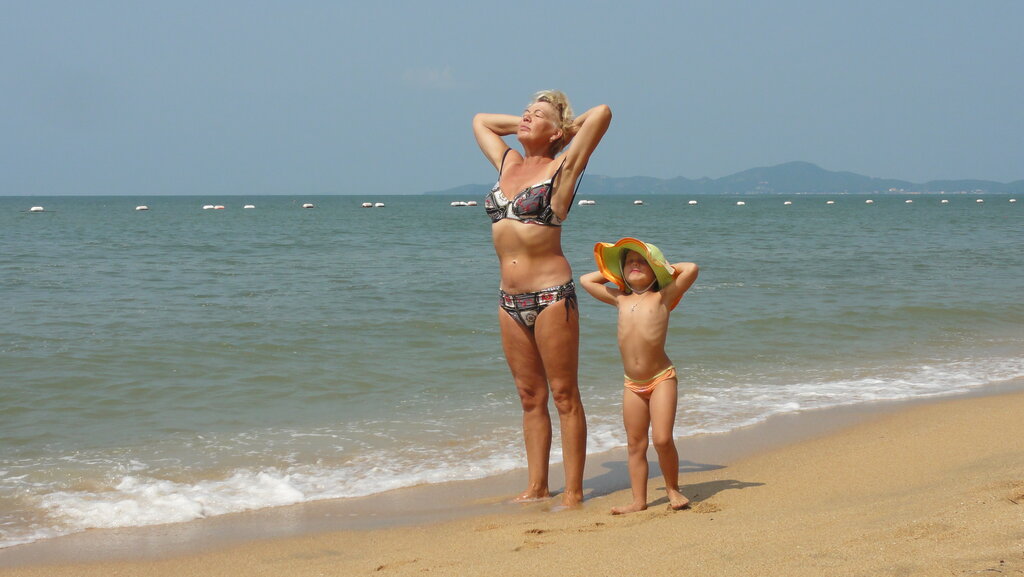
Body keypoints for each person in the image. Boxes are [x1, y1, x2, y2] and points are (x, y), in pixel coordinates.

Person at [473, 91, 611, 508]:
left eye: (538, 115)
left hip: (552, 296)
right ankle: (537, 486)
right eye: (525, 113)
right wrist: (529, 123)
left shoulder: (563, 168)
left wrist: (562, 131)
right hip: (508, 300)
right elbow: (480, 121)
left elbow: (602, 114)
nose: (526, 118)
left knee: (565, 394)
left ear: (558, 132)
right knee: (529, 397)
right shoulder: (508, 162)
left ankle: (573, 491)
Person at [579, 238, 699, 514]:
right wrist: (613, 272)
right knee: (635, 444)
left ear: (654, 269)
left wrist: (662, 264)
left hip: (661, 378)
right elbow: (586, 280)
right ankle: (638, 500)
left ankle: (672, 488)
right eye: (629, 262)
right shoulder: (619, 298)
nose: (634, 264)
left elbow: (691, 268)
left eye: (641, 261)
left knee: (662, 439)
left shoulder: (663, 296)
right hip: (632, 384)